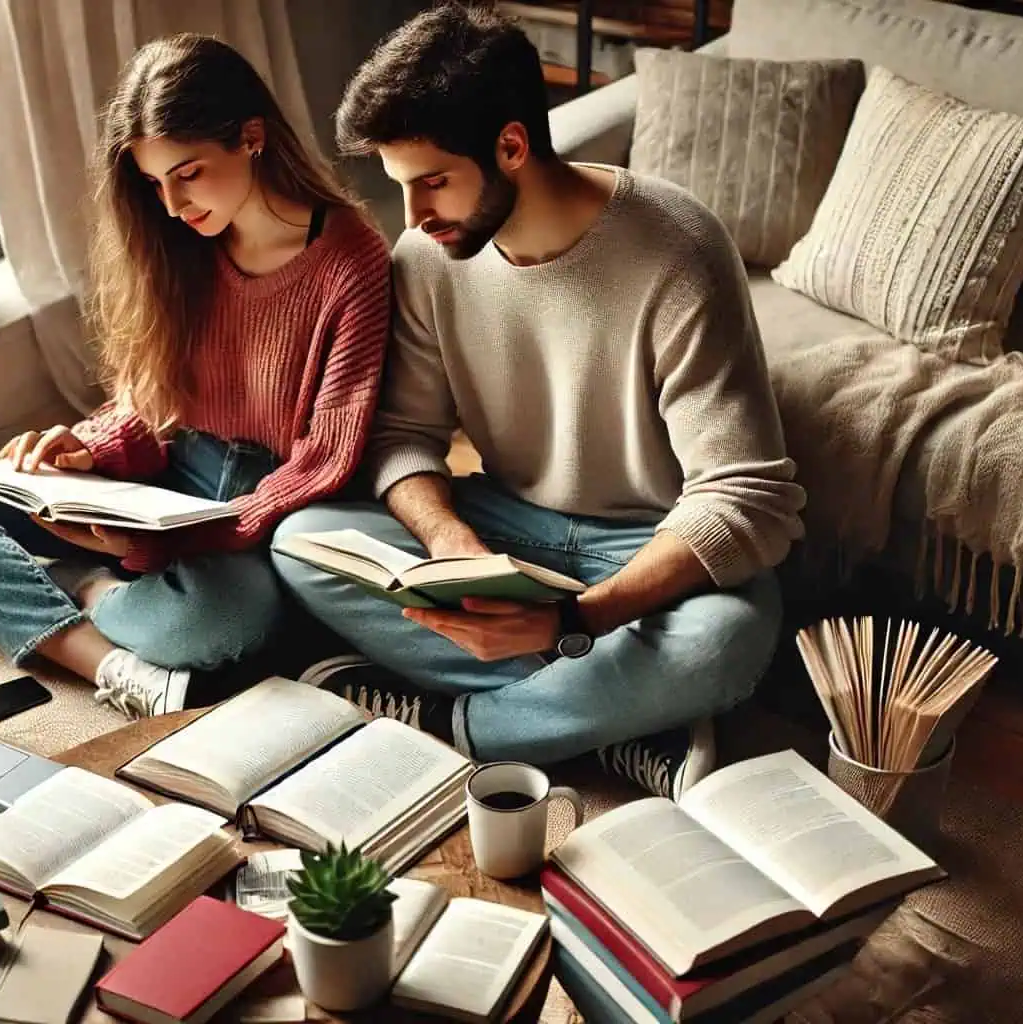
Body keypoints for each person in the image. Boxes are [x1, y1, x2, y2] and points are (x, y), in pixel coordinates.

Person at [270, 4, 806, 800]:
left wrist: (576, 622)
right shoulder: (430, 254)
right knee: (303, 540)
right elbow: (406, 436)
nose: (413, 218)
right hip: (507, 527)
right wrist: (451, 544)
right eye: (403, 188)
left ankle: (455, 729)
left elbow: (748, 498)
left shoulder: (679, 248)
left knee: (722, 644)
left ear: (512, 146)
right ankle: (609, 717)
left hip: (649, 547)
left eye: (432, 184)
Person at [0, 34, 390, 719]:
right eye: (154, 184)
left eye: (187, 172)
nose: (173, 205)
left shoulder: (351, 259)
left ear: (251, 136)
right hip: (158, 485)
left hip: (254, 511)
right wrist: (90, 448)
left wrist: (164, 545)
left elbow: (323, 461)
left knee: (221, 623)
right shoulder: (181, 244)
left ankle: (84, 590)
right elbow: (151, 406)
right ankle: (119, 668)